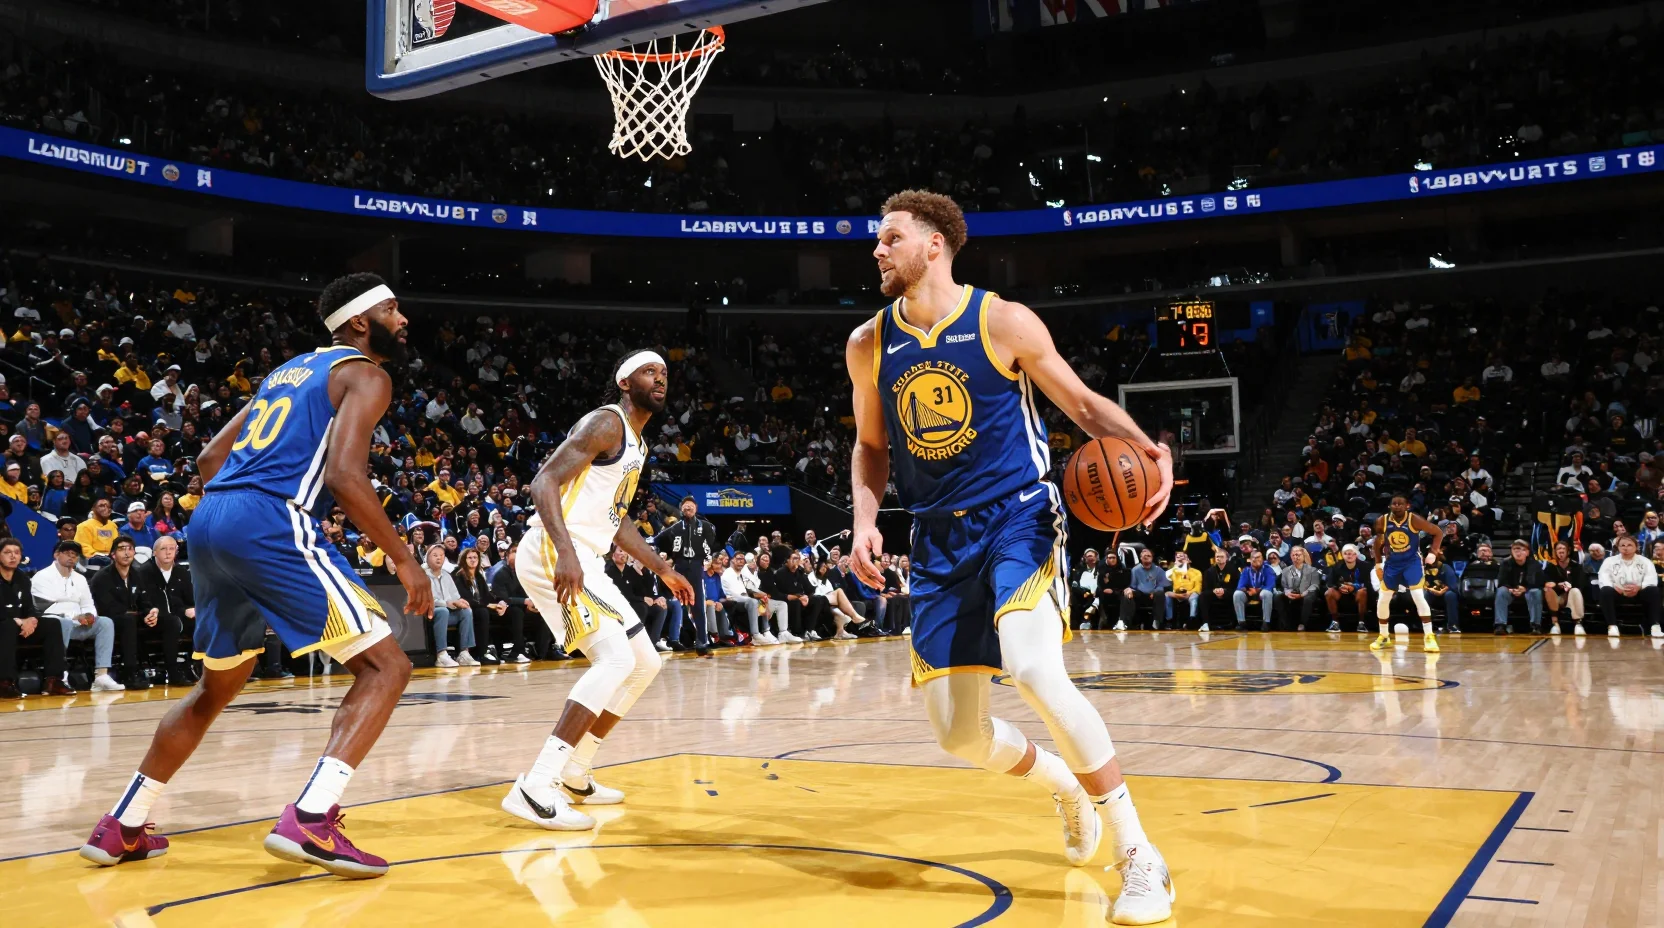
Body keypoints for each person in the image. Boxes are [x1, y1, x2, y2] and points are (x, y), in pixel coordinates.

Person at [844, 190, 1175, 922]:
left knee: (1031, 667)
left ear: (934, 246)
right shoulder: (868, 342)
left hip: (1017, 517)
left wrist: (1153, 452)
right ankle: (1063, 782)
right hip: (934, 539)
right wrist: (866, 520)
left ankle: (1139, 854)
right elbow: (870, 447)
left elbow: (1085, 408)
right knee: (959, 735)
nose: (877, 251)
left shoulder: (1001, 320)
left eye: (890, 238)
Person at [79, 273, 430, 878]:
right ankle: (312, 819)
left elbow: (212, 458)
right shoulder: (365, 373)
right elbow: (347, 476)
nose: (404, 320)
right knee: (387, 666)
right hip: (269, 519)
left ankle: (123, 826)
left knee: (216, 688)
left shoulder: (285, 373)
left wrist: (237, 517)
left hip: (210, 520)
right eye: (393, 309)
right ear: (357, 323)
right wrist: (403, 557)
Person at [503, 349, 695, 832]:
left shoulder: (637, 444)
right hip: (556, 551)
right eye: (650, 372)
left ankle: (574, 770)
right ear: (625, 382)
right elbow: (543, 481)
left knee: (645, 663)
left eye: (665, 373)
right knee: (614, 660)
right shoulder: (607, 423)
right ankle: (536, 785)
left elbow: (617, 521)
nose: (661, 379)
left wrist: (662, 568)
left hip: (587, 556)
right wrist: (566, 553)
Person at [36, 541, 121, 691]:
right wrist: (74, 616)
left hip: (80, 625)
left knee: (105, 623)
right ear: (57, 555)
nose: (71, 557)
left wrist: (90, 615)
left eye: (75, 555)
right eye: (67, 553)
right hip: (55, 626)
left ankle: (101, 675)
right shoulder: (42, 576)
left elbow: (88, 603)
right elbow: (43, 607)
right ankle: (60, 675)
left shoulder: (80, 578)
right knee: (62, 623)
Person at [0, 537, 75, 699]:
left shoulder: (23, 579)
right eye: (7, 553)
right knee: (7, 626)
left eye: (17, 553)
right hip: (5, 628)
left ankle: (53, 680)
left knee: (53, 624)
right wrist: (18, 621)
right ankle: (5, 683)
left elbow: (30, 608)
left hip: (19, 630)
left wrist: (32, 620)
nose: (13, 556)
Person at [1369, 495, 1443, 651]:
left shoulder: (1414, 519)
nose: (1397, 506)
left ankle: (1429, 636)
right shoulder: (1382, 521)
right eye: (1394, 504)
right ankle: (1384, 637)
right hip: (1392, 563)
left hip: (1412, 562)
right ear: (1390, 506)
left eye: (1400, 504)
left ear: (1407, 506)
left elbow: (1437, 532)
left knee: (1417, 596)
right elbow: (1378, 541)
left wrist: (1433, 552)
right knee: (1382, 599)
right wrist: (1377, 564)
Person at [652, 496, 718, 657]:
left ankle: (702, 642)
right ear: (681, 509)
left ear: (696, 508)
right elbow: (657, 540)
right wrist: (669, 556)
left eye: (691, 506)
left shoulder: (706, 526)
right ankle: (672, 638)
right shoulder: (675, 528)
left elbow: (711, 543)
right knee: (678, 602)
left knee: (698, 605)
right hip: (679, 566)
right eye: (685, 507)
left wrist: (705, 558)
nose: (688, 509)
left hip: (696, 566)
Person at [89, 536, 157, 690]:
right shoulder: (102, 577)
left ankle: (171, 669)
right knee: (128, 621)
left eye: (130, 549)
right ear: (113, 555)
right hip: (110, 621)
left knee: (169, 621)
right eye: (121, 549)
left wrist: (150, 612)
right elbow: (108, 608)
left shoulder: (137, 574)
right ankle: (130, 672)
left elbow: (144, 601)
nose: (126, 553)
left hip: (133, 618)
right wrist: (139, 614)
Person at [135, 535, 196, 685]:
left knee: (204, 620)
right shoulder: (144, 572)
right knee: (172, 622)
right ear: (154, 552)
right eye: (163, 549)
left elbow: (191, 601)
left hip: (178, 618)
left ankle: (197, 666)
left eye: (172, 549)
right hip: (153, 619)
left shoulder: (182, 572)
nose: (168, 552)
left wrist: (191, 610)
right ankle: (173, 671)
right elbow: (142, 601)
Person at [1596, 534, 1661, 638]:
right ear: (1618, 547)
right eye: (1622, 545)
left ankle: (1655, 626)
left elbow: (1651, 578)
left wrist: (1639, 587)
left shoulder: (1645, 561)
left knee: (1653, 590)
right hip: (1618, 593)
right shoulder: (1609, 561)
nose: (1626, 548)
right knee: (1605, 591)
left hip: (1639, 593)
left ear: (1636, 547)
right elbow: (1603, 577)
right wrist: (1614, 587)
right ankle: (1612, 626)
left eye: (1629, 545)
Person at [424, 543, 476, 667]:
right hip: (430, 613)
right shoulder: (422, 576)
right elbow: (427, 600)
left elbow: (455, 597)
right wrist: (446, 603)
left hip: (448, 612)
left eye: (441, 555)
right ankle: (441, 654)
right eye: (435, 555)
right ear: (427, 558)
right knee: (443, 610)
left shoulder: (447, 575)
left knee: (466, 611)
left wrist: (461, 602)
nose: (439, 558)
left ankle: (464, 653)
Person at [1495, 540, 1544, 635]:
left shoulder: (1535, 564)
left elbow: (1539, 582)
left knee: (1536, 592)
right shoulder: (1505, 563)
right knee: (1501, 591)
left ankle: (1536, 626)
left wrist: (1525, 588)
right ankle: (1500, 625)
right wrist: (1510, 589)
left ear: (1527, 552)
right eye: (1516, 549)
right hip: (1511, 591)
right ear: (1511, 551)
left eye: (1522, 549)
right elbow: (1502, 581)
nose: (1518, 552)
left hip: (1528, 591)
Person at [1325, 544, 1372, 632]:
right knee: (1329, 592)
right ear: (1342, 555)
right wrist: (1340, 587)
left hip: (1358, 594)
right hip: (1341, 594)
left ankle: (1361, 623)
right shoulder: (1336, 566)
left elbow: (1368, 584)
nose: (1349, 555)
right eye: (1346, 553)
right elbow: (1330, 583)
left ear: (1356, 554)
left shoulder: (1366, 566)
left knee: (1363, 591)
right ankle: (1335, 623)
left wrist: (1353, 587)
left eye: (1351, 553)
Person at [1278, 546, 1323, 631]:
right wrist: (1288, 593)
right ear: (1291, 556)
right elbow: (1284, 586)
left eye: (1298, 555)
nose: (1296, 557)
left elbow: (1315, 585)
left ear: (1303, 556)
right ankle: (1286, 624)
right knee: (1278, 597)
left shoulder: (1312, 570)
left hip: (1306, 593)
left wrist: (1302, 594)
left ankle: (1302, 623)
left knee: (1309, 597)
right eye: (1293, 555)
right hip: (1292, 593)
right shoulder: (1285, 571)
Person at [1233, 549, 1276, 631]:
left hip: (1262, 594)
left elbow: (1270, 585)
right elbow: (1240, 586)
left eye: (1258, 557)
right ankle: (1241, 623)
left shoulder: (1268, 569)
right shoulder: (1246, 570)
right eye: (1254, 557)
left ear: (1263, 559)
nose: (1256, 559)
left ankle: (1266, 623)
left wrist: (1257, 591)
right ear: (1250, 559)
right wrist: (1247, 590)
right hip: (1249, 594)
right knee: (1237, 594)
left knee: (1266, 593)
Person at [1163, 551, 1201, 629]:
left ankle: (1192, 620)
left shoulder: (1196, 572)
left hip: (1191, 593)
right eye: (1179, 558)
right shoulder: (1174, 571)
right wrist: (1175, 567)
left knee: (1194, 597)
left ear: (1189, 560)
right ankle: (1169, 621)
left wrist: (1188, 593)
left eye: (1184, 557)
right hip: (1178, 593)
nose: (1181, 560)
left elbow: (1198, 588)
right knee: (1167, 595)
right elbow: (1172, 583)